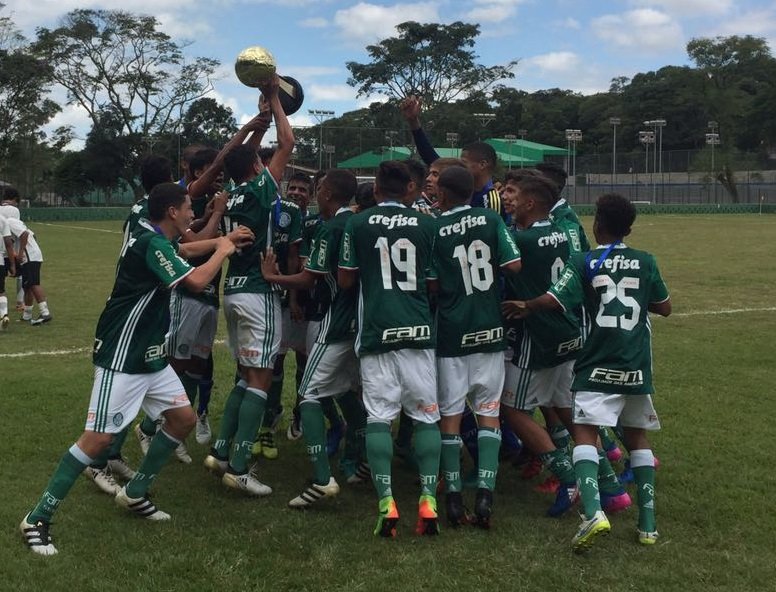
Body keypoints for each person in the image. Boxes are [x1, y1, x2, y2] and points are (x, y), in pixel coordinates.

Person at [19, 182, 253, 556]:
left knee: (182, 419)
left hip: (149, 354)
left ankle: (136, 492)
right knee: (96, 440)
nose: (195, 213)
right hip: (122, 354)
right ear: (172, 212)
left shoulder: (149, 234)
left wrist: (221, 240)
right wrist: (223, 249)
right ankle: (37, 518)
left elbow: (184, 250)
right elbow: (194, 280)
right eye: (190, 207)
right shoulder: (151, 243)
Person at [504, 193, 671, 551]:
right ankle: (648, 525)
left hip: (597, 361)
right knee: (638, 439)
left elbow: (555, 299)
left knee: (583, 433)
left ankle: (594, 513)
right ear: (629, 226)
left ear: (597, 224)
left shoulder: (587, 262)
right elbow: (664, 307)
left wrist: (528, 305)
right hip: (636, 364)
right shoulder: (646, 260)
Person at [203, 74, 294, 496]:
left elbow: (238, 157)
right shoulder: (261, 187)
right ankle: (238, 466)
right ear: (258, 166)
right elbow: (288, 142)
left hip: (233, 292)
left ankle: (221, 450)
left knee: (244, 376)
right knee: (261, 378)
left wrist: (254, 126)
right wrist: (275, 101)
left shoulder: (231, 196)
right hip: (259, 291)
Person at [338, 160, 440, 537]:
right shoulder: (428, 223)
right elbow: (432, 282)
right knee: (427, 415)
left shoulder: (357, 222)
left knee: (379, 415)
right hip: (418, 331)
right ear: (409, 189)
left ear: (377, 188)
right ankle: (428, 498)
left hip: (377, 332)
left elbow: (346, 280)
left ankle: (386, 500)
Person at [261, 169, 368, 507]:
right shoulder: (359, 223)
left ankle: (322, 478)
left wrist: (272, 276)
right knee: (349, 392)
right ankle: (358, 458)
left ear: (326, 193)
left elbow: (310, 279)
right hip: (362, 324)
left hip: (334, 322)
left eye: (319, 188)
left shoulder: (330, 228)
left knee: (308, 395)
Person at [428, 166, 521, 529]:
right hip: (489, 328)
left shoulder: (435, 228)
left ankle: (452, 496)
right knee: (489, 412)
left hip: (452, 331)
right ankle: (485, 494)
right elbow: (513, 264)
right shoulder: (490, 218)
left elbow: (433, 285)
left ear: (444, 196)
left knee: (450, 416)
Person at [499, 173, 583, 518]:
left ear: (530, 203)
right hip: (568, 329)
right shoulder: (563, 232)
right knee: (563, 406)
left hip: (537, 333)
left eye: (513, 194)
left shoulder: (523, 240)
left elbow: (503, 258)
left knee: (513, 410)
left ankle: (567, 474)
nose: (507, 199)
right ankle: (603, 479)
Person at [3, 191, 51, 324]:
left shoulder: (10, 221)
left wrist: (21, 252)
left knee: (34, 284)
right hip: (30, 255)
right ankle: (27, 315)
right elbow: (32, 235)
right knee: (27, 286)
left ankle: (45, 313)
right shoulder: (11, 222)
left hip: (30, 257)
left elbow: (24, 235)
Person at [0, 212, 16, 329]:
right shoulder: (2, 220)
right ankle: (4, 314)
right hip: (0, 260)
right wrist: (12, 264)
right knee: (1, 291)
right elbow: (9, 245)